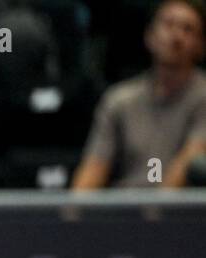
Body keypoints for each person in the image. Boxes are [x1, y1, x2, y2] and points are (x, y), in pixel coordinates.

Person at [72, 0, 206, 189]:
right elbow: (94, 168)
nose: (176, 36)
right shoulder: (118, 100)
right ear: (150, 36)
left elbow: (189, 161)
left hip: (182, 212)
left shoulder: (203, 97)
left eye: (188, 29)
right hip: (125, 208)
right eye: (168, 25)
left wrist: (154, 212)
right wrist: (73, 212)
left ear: (200, 46)